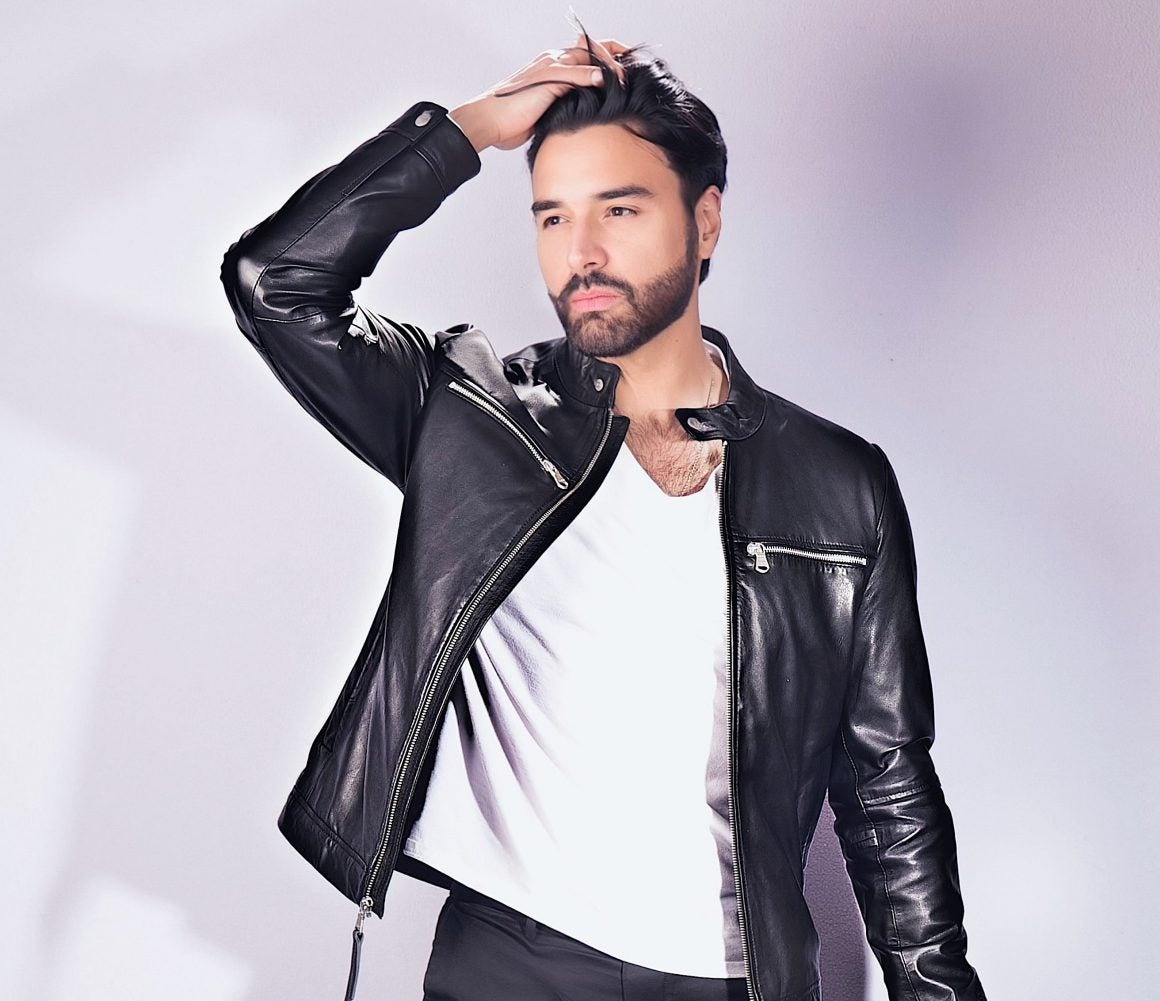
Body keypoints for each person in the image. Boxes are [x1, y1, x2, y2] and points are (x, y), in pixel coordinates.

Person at [220, 28, 986, 1001]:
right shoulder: (472, 416)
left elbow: (886, 782)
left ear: (705, 221)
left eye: (618, 209)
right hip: (513, 964)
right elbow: (276, 282)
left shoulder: (839, 484)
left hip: (735, 976)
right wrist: (468, 130)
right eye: (552, 217)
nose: (579, 254)